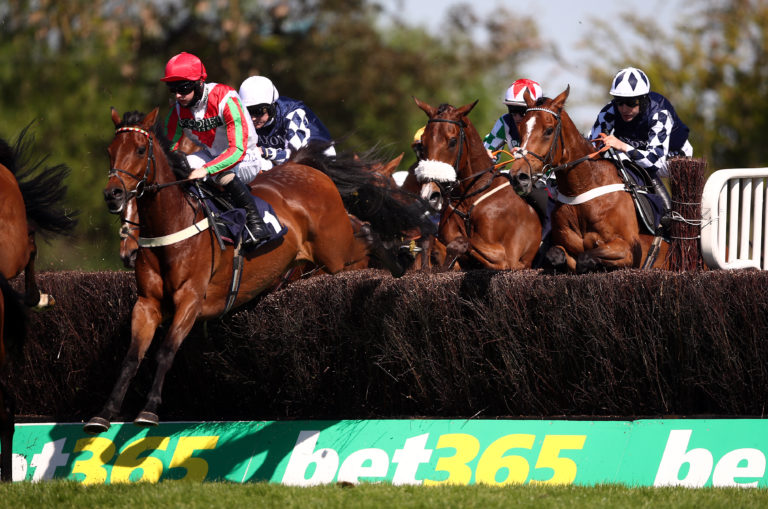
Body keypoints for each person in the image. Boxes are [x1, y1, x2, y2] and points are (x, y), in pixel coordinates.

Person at [161, 52, 273, 248]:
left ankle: (256, 225)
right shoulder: (178, 109)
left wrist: (207, 169)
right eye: (173, 89)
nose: (178, 95)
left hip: (246, 155)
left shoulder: (226, 98)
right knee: (176, 169)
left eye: (183, 88)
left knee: (220, 173)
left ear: (199, 83)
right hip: (211, 154)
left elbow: (237, 150)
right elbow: (170, 148)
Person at [590, 66, 693, 212]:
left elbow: (653, 162)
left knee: (633, 162)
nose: (624, 109)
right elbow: (592, 145)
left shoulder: (660, 113)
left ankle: (667, 213)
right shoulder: (610, 110)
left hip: (672, 157)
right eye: (619, 101)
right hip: (640, 155)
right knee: (615, 161)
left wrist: (622, 146)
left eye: (631, 102)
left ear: (644, 100)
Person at [238, 76, 335, 164]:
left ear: (272, 106)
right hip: (278, 158)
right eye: (247, 111)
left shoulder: (293, 114)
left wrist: (264, 152)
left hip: (317, 155)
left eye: (258, 111)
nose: (252, 118)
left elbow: (295, 156)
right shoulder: (242, 119)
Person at [483, 78, 543, 157]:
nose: (516, 116)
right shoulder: (505, 122)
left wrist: (526, 153)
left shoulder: (547, 125)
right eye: (512, 109)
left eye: (522, 111)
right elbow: (487, 162)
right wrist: (485, 157)